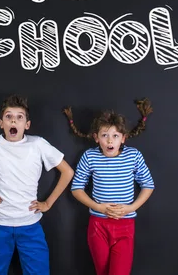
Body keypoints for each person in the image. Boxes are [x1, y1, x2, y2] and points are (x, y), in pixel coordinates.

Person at [0, 94, 74, 275]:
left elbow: (67, 171)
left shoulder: (38, 144)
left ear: (26, 125)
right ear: (1, 123)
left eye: (19, 117)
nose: (14, 121)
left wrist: (48, 203)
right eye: (8, 117)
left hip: (30, 225)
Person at [64, 99, 155, 275]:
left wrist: (131, 208)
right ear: (96, 138)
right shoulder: (90, 156)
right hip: (98, 225)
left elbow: (148, 184)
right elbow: (76, 188)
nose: (109, 140)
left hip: (125, 224)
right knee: (102, 271)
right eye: (104, 135)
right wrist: (98, 207)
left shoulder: (133, 156)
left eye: (115, 135)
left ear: (123, 138)